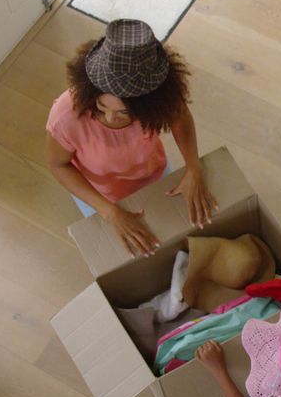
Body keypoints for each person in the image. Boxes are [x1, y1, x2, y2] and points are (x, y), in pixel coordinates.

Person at [46, 18, 217, 257]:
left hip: (154, 174)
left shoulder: (161, 104)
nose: (110, 118)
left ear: (148, 105)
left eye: (124, 112)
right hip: (98, 195)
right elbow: (58, 165)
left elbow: (180, 116)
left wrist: (193, 166)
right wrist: (109, 212)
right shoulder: (66, 115)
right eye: (101, 105)